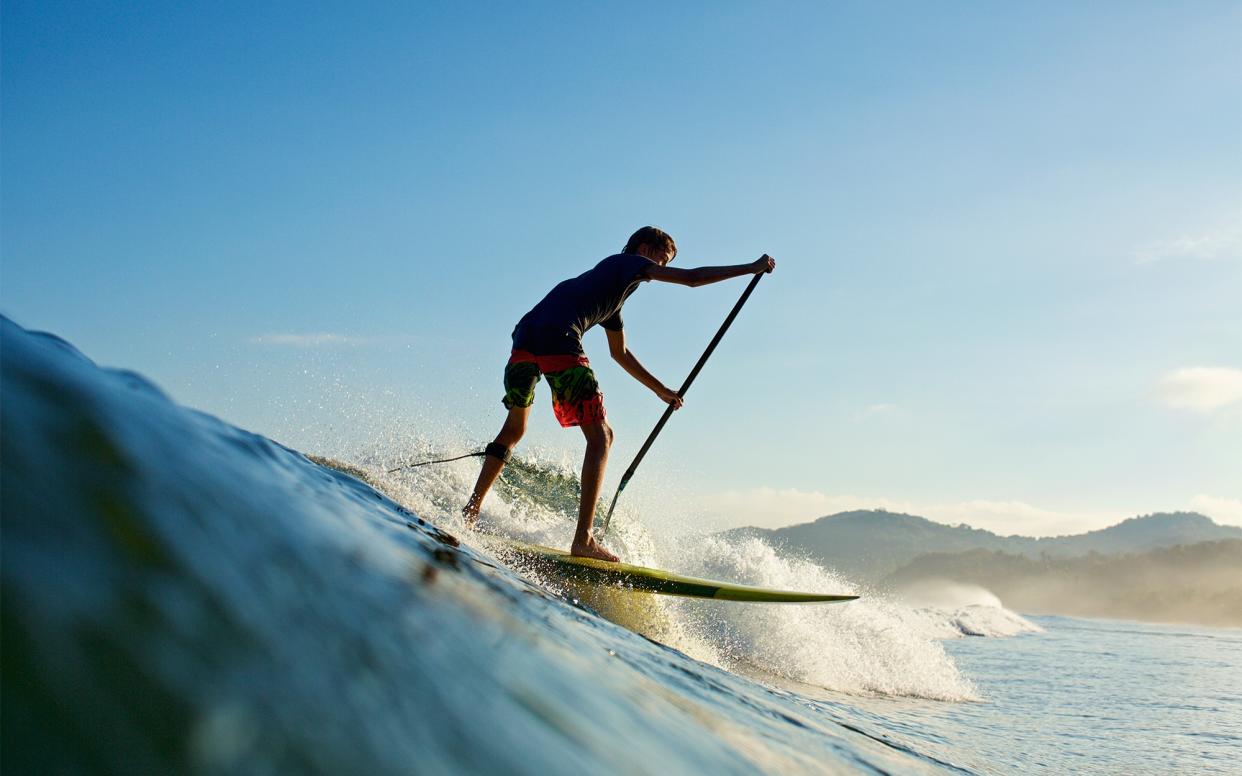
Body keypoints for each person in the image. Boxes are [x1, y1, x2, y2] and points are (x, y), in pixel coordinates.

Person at [462, 226, 775, 561]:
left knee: (514, 430)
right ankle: (583, 540)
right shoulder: (623, 264)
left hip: (523, 343)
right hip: (558, 339)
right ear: (643, 248)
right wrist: (750, 268)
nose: (659, 270)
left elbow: (620, 354)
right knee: (602, 437)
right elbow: (692, 279)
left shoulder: (611, 296)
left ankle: (470, 512)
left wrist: (662, 391)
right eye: (661, 260)